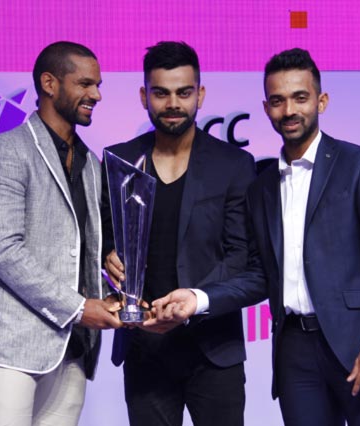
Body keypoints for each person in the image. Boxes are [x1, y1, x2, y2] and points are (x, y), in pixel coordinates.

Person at [150, 48, 360, 426]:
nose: (289, 110)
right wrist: (198, 298)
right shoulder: (262, 186)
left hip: (359, 345)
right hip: (294, 353)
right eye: (278, 100)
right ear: (266, 107)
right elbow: (260, 277)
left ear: (321, 100)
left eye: (300, 97)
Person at [0, 41, 123, 426]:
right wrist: (80, 307)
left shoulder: (91, 164)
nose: (96, 95)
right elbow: (3, 250)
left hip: (74, 346)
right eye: (85, 84)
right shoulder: (8, 150)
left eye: (98, 85)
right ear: (49, 83)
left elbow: (80, 246)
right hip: (12, 340)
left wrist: (111, 268)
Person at [101, 41, 256, 426]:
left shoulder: (233, 165)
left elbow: (240, 257)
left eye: (184, 92)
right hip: (144, 347)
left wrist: (191, 303)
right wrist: (106, 257)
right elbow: (100, 238)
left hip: (214, 347)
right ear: (144, 96)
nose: (173, 103)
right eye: (161, 93)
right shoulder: (118, 161)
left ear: (200, 94)